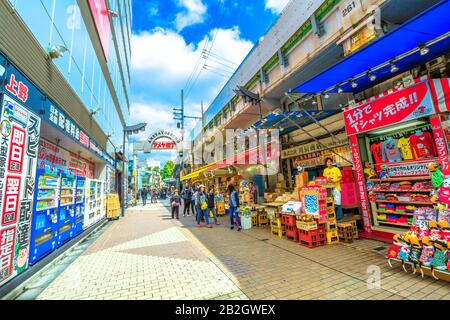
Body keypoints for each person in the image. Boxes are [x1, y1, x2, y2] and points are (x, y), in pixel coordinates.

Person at [323, 157, 343, 222]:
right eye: (328, 162)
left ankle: (339, 217)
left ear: (332, 162)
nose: (329, 163)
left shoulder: (336, 169)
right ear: (326, 163)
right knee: (330, 202)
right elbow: (324, 178)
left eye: (330, 161)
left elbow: (340, 177)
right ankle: (332, 217)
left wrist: (334, 181)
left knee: (338, 202)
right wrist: (327, 180)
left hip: (336, 187)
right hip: (328, 188)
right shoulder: (325, 170)